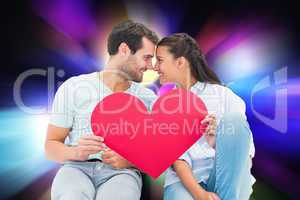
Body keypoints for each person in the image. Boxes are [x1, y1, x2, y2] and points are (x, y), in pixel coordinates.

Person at [45, 20, 159, 200]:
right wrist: (76, 153)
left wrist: (129, 161)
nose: (150, 66)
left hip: (122, 174)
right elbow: (51, 145)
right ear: (124, 50)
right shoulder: (74, 87)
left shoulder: (148, 99)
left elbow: (158, 157)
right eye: (146, 57)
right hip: (75, 169)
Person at [153, 33, 256, 200]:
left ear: (180, 62)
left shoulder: (223, 95)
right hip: (183, 181)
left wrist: (217, 142)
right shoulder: (166, 105)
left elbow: (245, 151)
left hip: (226, 177)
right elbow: (176, 158)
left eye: (160, 60)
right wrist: (199, 194)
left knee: (234, 121)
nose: (155, 67)